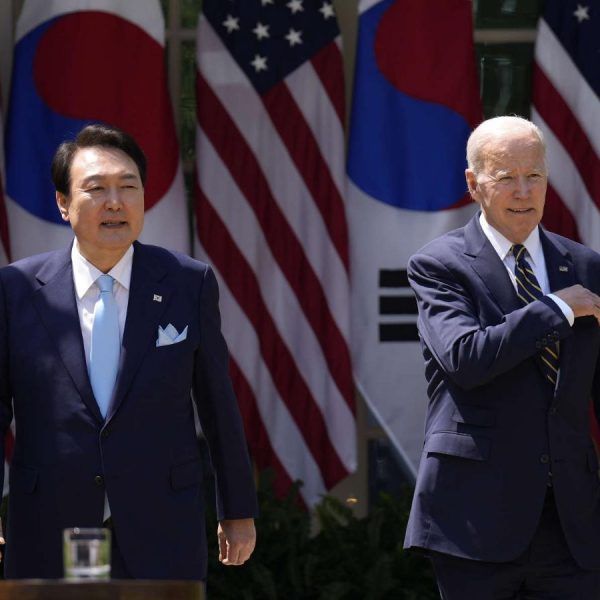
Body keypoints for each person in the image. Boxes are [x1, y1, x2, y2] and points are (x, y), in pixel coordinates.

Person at [0, 123, 257, 579]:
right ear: (63, 203)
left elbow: (217, 403)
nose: (115, 202)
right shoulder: (16, 289)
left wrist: (236, 508)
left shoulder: (187, 282)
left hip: (161, 524)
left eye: (128, 186)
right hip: (49, 523)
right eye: (96, 189)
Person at [404, 115, 600, 599]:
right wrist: (556, 308)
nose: (523, 191)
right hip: (475, 518)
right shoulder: (439, 265)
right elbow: (466, 358)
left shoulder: (584, 266)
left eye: (534, 175)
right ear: (474, 184)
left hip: (571, 524)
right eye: (505, 177)